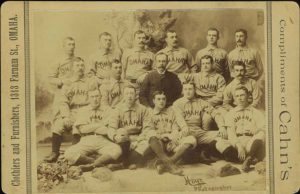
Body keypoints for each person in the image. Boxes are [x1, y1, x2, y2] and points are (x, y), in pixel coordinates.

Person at [44, 57, 97, 162]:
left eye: (82, 65)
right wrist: (66, 116)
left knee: (78, 127)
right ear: (73, 68)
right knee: (58, 124)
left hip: (86, 111)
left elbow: (95, 98)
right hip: (72, 111)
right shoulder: (68, 83)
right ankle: (55, 153)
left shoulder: (90, 82)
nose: (80, 68)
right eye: (77, 65)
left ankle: (75, 154)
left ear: (84, 67)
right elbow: (63, 101)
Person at [64, 88, 122, 172]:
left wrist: (90, 127)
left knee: (117, 150)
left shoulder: (108, 110)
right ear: (88, 98)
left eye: (97, 96)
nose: (95, 99)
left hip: (102, 140)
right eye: (92, 96)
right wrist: (100, 125)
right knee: (68, 153)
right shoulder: (82, 110)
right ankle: (96, 162)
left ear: (101, 97)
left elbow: (108, 130)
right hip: (86, 140)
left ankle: (91, 166)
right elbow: (83, 129)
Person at [172, 81, 227, 161]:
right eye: (185, 89)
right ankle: (173, 159)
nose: (188, 91)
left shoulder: (201, 102)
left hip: (200, 132)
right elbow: (179, 118)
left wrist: (222, 127)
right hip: (185, 132)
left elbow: (215, 114)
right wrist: (184, 127)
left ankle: (205, 151)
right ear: (182, 91)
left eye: (190, 89)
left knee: (223, 135)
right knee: (189, 142)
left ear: (195, 90)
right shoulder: (177, 103)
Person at [146, 91, 197, 175]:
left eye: (163, 99)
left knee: (192, 139)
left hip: (171, 141)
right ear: (153, 101)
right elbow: (149, 130)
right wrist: (161, 136)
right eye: (158, 99)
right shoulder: (149, 113)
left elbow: (175, 129)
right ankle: (170, 165)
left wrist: (172, 138)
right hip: (158, 143)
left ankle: (166, 163)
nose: (161, 101)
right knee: (151, 136)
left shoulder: (171, 111)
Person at [217, 86, 265, 172]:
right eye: (237, 96)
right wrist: (239, 146)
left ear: (248, 96)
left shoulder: (256, 112)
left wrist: (257, 130)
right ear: (234, 98)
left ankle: (248, 158)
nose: (240, 98)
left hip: (251, 141)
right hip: (236, 141)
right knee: (219, 143)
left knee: (262, 134)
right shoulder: (230, 113)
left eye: (242, 95)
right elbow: (231, 133)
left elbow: (264, 127)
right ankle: (249, 159)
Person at [107, 85, 153, 169]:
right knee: (121, 132)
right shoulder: (117, 109)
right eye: (127, 93)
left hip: (138, 138)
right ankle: (128, 163)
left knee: (146, 146)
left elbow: (148, 127)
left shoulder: (143, 109)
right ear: (123, 95)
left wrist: (138, 140)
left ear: (135, 95)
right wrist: (115, 137)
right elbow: (111, 127)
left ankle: (123, 164)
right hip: (123, 140)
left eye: (132, 93)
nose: (129, 96)